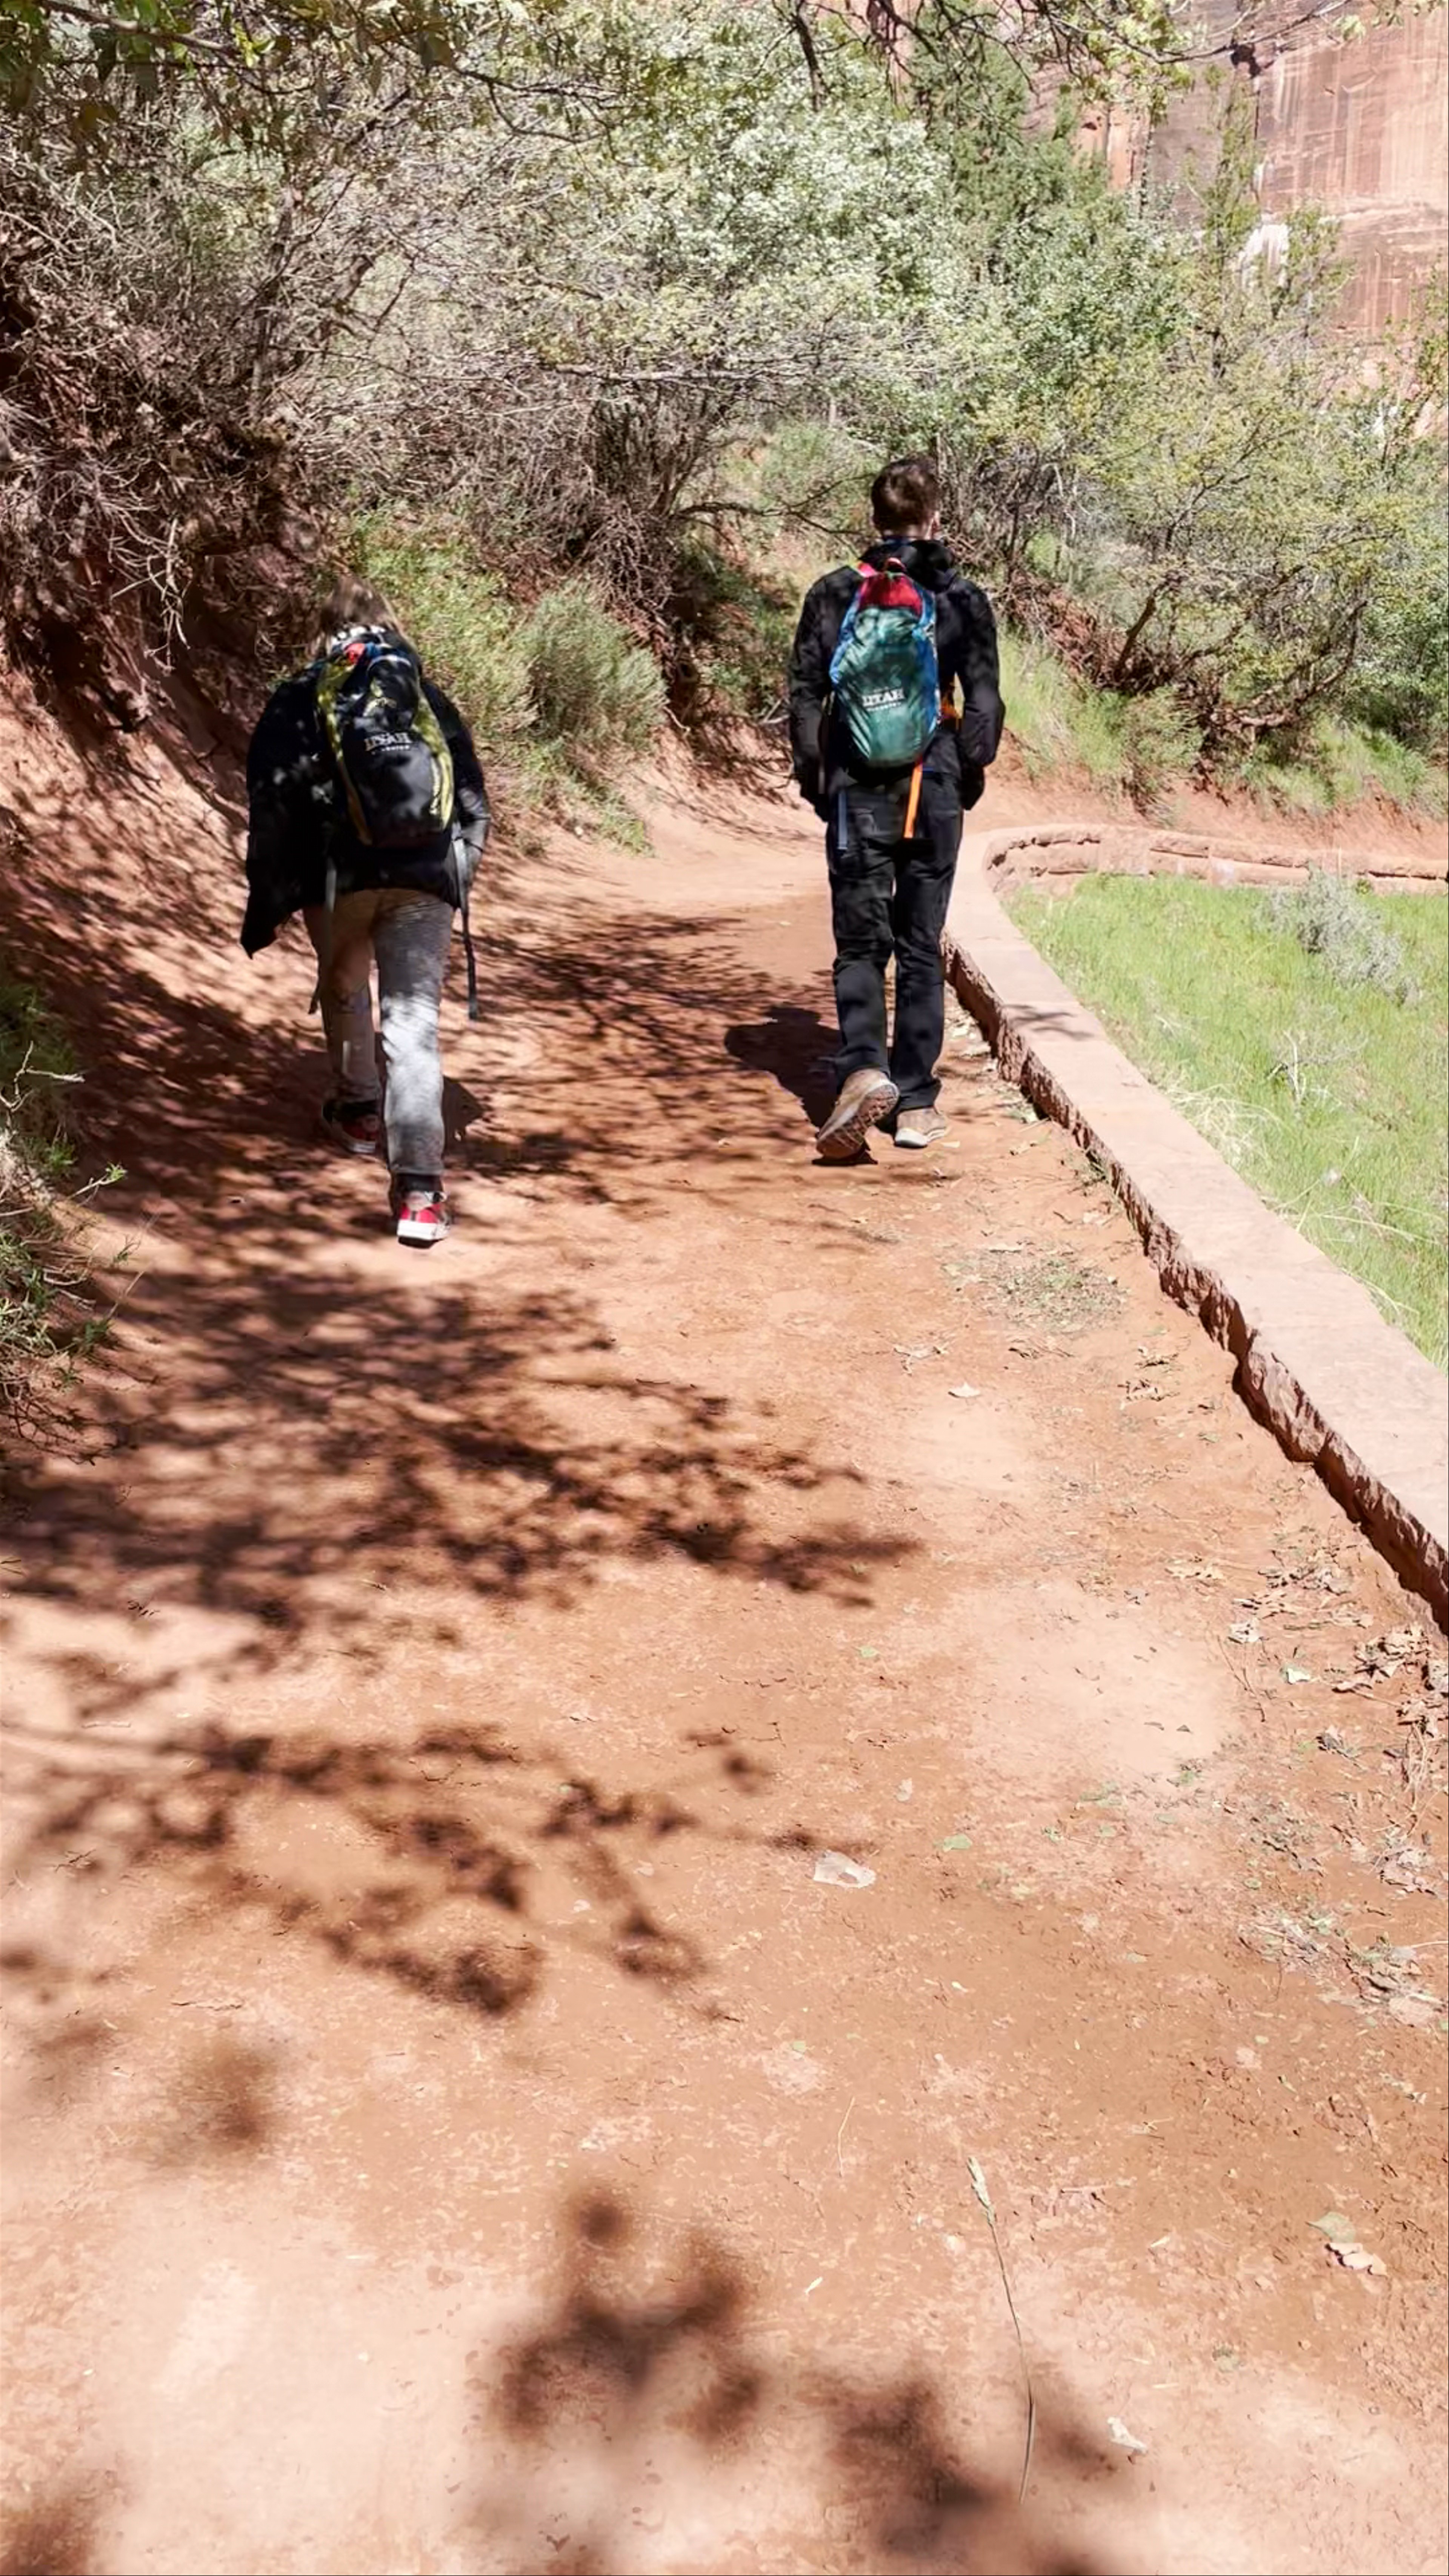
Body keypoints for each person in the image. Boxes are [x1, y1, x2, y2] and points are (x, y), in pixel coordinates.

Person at [241, 575, 490, 1245]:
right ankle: (420, 1191)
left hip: (340, 879)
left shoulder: (303, 694)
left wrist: (269, 897)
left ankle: (357, 1110)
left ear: (324, 626)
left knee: (344, 987)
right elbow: (470, 791)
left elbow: (273, 799)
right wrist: (460, 864)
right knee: (413, 1027)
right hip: (427, 877)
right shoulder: (422, 693)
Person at [788, 455, 1004, 1161]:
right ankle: (913, 1102)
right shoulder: (960, 596)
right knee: (919, 944)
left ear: (874, 520)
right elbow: (986, 708)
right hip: (933, 783)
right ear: (934, 519)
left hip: (857, 787)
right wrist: (963, 775)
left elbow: (804, 697)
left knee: (859, 940)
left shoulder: (833, 592)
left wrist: (821, 784)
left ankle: (861, 1070)